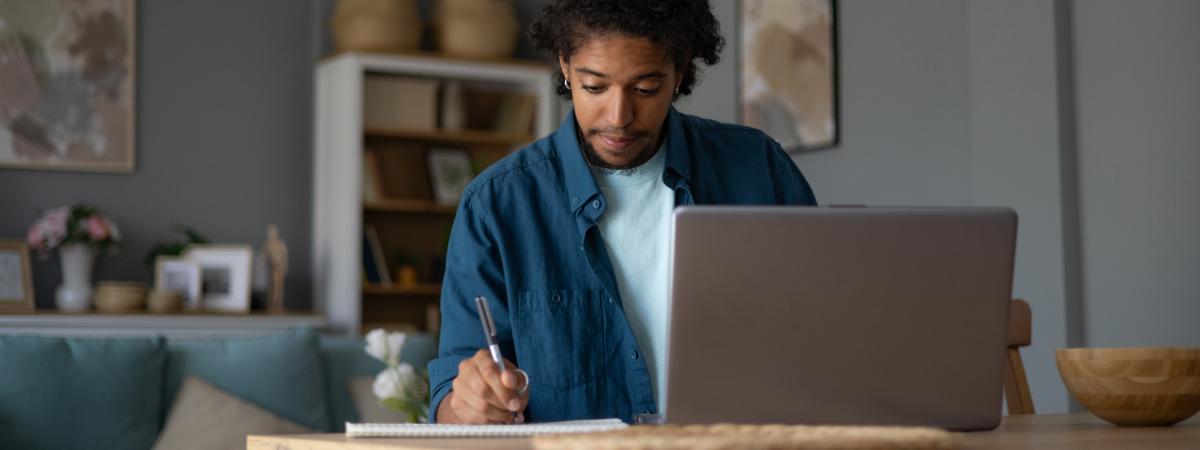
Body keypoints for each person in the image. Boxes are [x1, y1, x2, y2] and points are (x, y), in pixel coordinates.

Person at [428, 0, 817, 425]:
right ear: (565, 65)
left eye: (646, 89)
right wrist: (468, 402)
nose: (619, 117)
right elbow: (452, 398)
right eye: (594, 87)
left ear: (680, 70)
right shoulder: (496, 205)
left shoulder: (759, 168)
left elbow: (824, 330)